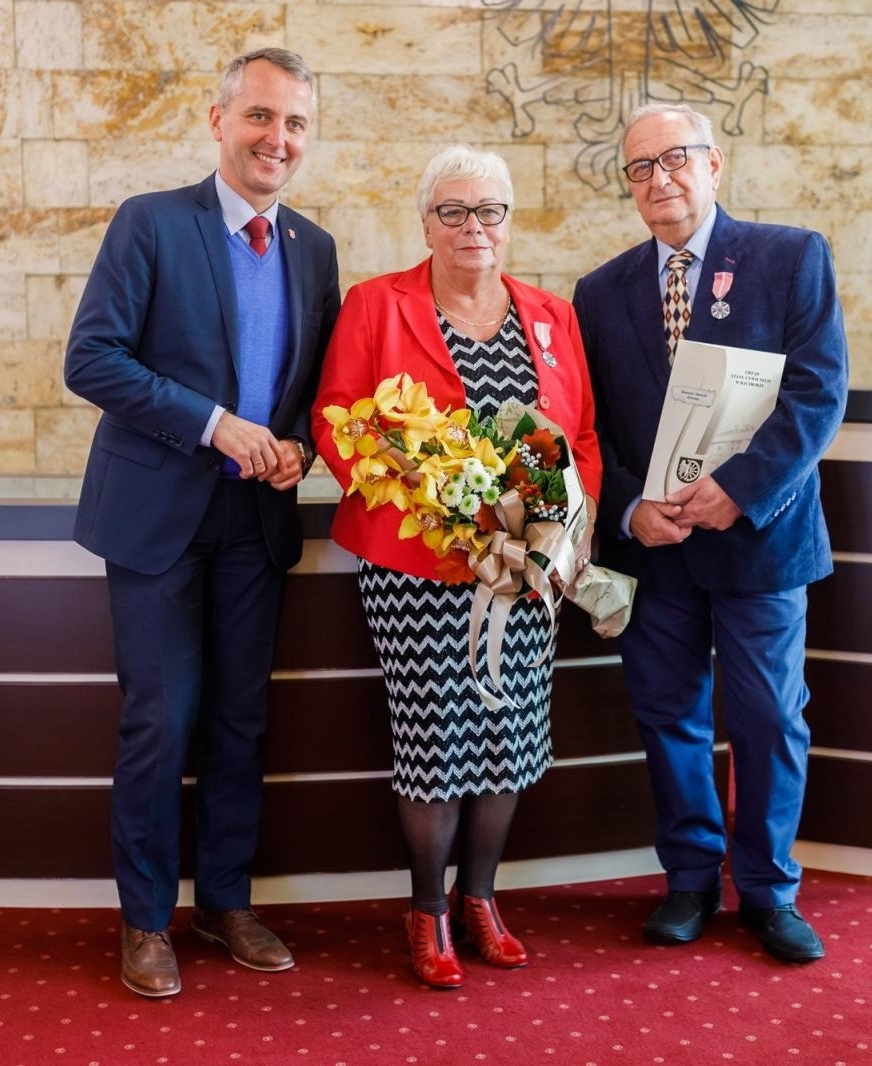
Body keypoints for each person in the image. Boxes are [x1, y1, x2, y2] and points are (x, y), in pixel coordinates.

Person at [63, 47, 340, 998]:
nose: (278, 138)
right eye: (260, 116)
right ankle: (145, 921)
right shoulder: (150, 222)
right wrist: (214, 423)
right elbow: (91, 359)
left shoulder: (314, 247)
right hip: (158, 518)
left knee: (239, 721)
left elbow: (316, 390)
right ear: (218, 121)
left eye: (295, 123)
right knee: (161, 720)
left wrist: (300, 444)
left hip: (255, 522)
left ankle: (226, 904)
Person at [311, 145, 601, 990]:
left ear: (509, 221)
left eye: (489, 211)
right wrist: (429, 502)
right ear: (426, 223)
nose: (474, 227)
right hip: (418, 566)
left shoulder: (551, 314)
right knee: (435, 740)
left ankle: (481, 899)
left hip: (523, 572)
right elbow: (337, 418)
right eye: (454, 211)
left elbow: (580, 437)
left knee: (510, 736)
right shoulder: (377, 305)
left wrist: (569, 525)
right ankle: (427, 909)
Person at [571, 103, 848, 963]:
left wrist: (739, 490)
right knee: (670, 715)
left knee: (768, 718)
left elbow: (818, 393)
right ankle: (689, 879)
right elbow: (590, 427)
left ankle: (768, 889)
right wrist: (628, 507)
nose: (659, 179)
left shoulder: (789, 257)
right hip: (655, 549)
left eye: (675, 159)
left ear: (714, 163)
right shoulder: (599, 292)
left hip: (762, 538)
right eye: (640, 167)